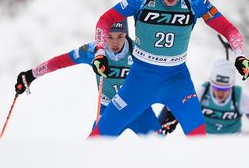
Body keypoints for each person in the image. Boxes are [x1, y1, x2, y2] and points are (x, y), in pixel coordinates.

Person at [88, 0, 249, 137]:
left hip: (177, 81)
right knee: (99, 137)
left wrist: (240, 55)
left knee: (199, 138)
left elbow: (229, 29)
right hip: (140, 81)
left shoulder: (195, 2)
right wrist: (99, 52)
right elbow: (105, 20)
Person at [14, 20, 161, 135]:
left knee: (160, 151)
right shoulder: (92, 51)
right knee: (93, 150)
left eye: (120, 36)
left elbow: (167, 76)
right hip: (108, 109)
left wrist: (170, 111)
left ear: (126, 35)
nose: (115, 42)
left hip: (139, 109)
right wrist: (32, 74)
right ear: (104, 36)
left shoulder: (139, 51)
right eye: (110, 37)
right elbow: (61, 61)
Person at [158, 59, 249, 135]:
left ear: (231, 86)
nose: (220, 92)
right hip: (206, 144)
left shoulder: (240, 97)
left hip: (233, 145)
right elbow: (172, 106)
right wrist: (160, 127)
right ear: (211, 83)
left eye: (225, 89)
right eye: (216, 87)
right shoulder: (202, 92)